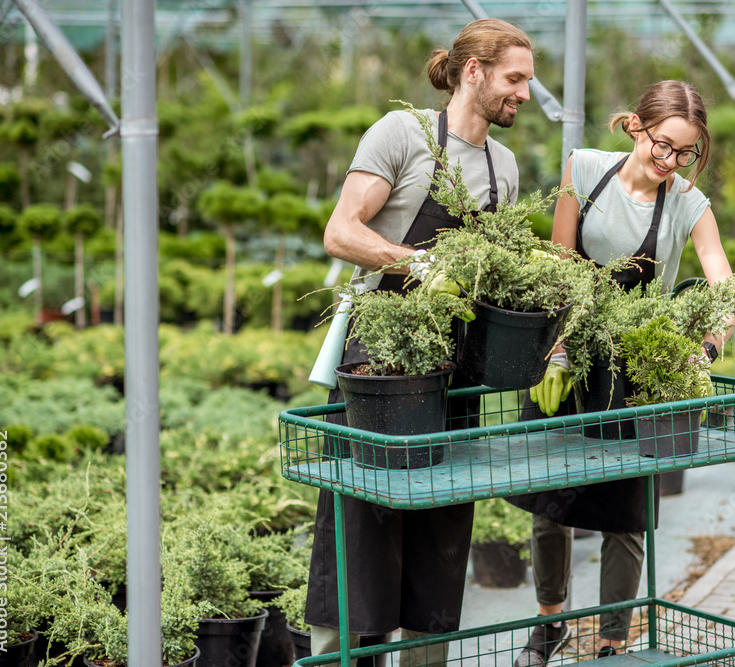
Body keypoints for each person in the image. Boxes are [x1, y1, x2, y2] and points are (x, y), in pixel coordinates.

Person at [304, 18, 534, 667]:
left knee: (441, 529)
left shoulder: (502, 165)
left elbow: (492, 273)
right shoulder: (403, 135)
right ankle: (342, 657)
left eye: (527, 82)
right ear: (474, 71)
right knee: (361, 523)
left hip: (453, 368)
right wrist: (421, 265)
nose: (523, 93)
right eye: (515, 79)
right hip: (379, 356)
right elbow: (341, 232)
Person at [509, 80, 735, 666]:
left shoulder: (689, 202)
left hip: (634, 371)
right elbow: (561, 264)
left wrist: (705, 348)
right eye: (663, 146)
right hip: (567, 355)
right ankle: (549, 622)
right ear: (636, 126)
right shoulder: (583, 170)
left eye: (686, 153)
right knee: (549, 501)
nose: (671, 162)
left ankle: (613, 636)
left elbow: (726, 290)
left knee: (624, 513)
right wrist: (556, 348)